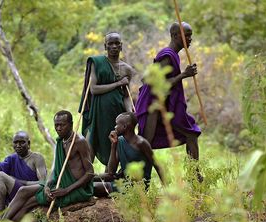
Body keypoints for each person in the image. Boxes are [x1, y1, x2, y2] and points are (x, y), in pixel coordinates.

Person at [0, 110, 94, 222]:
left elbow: (90, 173)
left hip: (75, 190)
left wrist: (66, 190)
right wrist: (47, 185)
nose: (58, 128)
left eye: (62, 125)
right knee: (25, 205)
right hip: (59, 185)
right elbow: (54, 170)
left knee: (24, 191)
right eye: (56, 125)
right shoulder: (60, 141)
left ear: (71, 124)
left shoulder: (79, 142)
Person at [135, 22, 202, 168]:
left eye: (191, 36)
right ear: (174, 35)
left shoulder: (173, 55)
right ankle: (127, 177)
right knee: (145, 144)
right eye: (187, 35)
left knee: (191, 133)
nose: (190, 39)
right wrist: (184, 74)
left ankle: (194, 175)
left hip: (165, 105)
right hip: (151, 105)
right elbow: (153, 82)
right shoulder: (167, 55)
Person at [79, 31, 136, 166]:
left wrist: (130, 115)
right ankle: (86, 179)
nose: (114, 46)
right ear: (105, 46)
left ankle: (110, 180)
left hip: (117, 115)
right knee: (90, 144)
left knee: (115, 145)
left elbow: (126, 96)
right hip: (97, 113)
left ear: (121, 46)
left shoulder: (127, 69)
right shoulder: (97, 63)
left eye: (117, 43)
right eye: (110, 44)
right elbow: (93, 89)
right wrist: (117, 83)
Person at [94, 112, 165, 196]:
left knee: (94, 187)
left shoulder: (141, 143)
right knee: (90, 179)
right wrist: (113, 145)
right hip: (123, 181)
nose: (115, 127)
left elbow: (157, 165)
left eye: (117, 124)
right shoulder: (120, 141)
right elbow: (111, 172)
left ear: (124, 127)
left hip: (137, 186)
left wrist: (167, 189)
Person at [0, 131, 47, 212]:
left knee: (0, 175)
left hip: (29, 192)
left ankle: (1, 217)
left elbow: (42, 183)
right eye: (15, 143)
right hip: (14, 193)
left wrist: (21, 182)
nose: (18, 145)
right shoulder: (12, 159)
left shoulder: (37, 158)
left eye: (22, 142)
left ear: (28, 143)